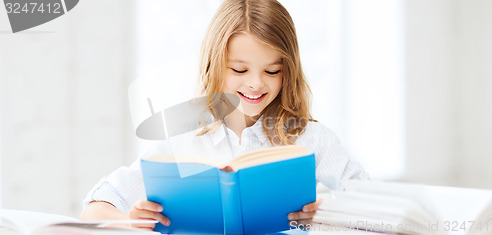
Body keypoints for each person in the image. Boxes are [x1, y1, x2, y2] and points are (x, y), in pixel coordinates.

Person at [81, 0, 369, 231]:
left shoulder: (312, 140)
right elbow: (95, 208)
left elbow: (380, 212)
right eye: (239, 70)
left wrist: (329, 218)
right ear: (214, 65)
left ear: (289, 71)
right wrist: (133, 224)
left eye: (272, 71)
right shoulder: (184, 138)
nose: (256, 83)